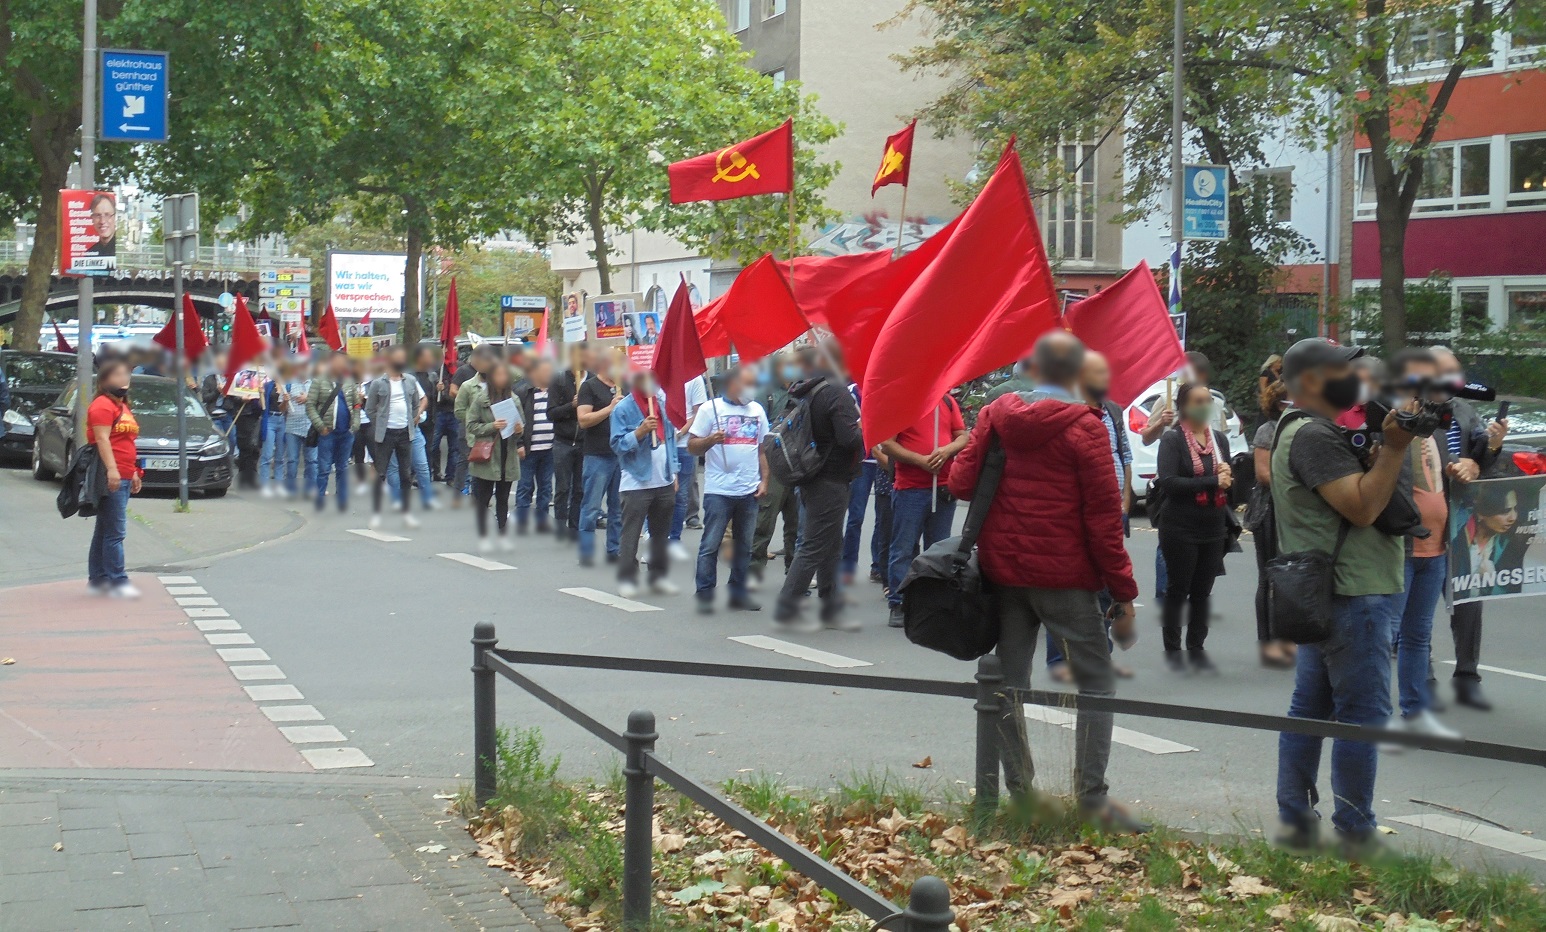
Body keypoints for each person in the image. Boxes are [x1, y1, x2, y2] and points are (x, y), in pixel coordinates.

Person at [949, 332, 1145, 833]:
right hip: (1066, 578)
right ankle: (1091, 800)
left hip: (1006, 573)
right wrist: (1123, 593)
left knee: (1008, 684)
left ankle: (1020, 794)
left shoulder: (995, 415)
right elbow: (1104, 522)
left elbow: (960, 484)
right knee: (1096, 681)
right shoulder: (1087, 429)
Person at [1273, 337, 1414, 856]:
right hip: (1350, 592)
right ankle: (1355, 833)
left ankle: (1295, 819)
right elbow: (1361, 508)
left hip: (1330, 590)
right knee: (1363, 714)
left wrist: (1389, 442)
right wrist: (1394, 449)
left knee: (1310, 707)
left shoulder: (1321, 431)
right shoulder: (1313, 435)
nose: (1356, 381)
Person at [1380, 349, 1464, 741]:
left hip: (1437, 549)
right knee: (1386, 634)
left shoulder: (1437, 429)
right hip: (1404, 547)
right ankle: (1375, 710)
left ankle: (1414, 710)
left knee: (1418, 635)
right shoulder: (1392, 425)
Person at [1046, 351, 1135, 681]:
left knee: (1105, 582)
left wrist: (1125, 500)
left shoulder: (1111, 410)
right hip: (1077, 511)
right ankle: (1061, 660)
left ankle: (1099, 656)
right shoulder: (1065, 411)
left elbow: (1123, 455)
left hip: (1112, 506)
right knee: (1069, 586)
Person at [1429, 346, 1509, 710]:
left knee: (1469, 596)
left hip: (1462, 515)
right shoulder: (1410, 408)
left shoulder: (1464, 409)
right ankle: (1422, 674)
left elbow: (1482, 459)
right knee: (1420, 600)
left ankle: (1467, 675)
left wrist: (1491, 446)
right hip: (1420, 519)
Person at [772, 346, 863, 632]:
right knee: (814, 545)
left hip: (810, 475)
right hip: (832, 478)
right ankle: (788, 606)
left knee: (830, 544)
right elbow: (849, 439)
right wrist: (865, 424)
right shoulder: (836, 393)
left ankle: (831, 607)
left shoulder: (806, 391)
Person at [1153, 382, 1234, 673]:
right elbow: (1170, 483)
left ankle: (1197, 647)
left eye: (1208, 400)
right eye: (1199, 400)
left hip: (1213, 525)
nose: (1205, 405)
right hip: (1180, 527)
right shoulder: (1173, 440)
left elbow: (1226, 483)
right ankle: (1173, 650)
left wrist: (1227, 476)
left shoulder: (1218, 440)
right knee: (1178, 588)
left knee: (1203, 590)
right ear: (1185, 406)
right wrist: (1212, 481)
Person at [879, 393, 968, 628]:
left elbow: (963, 436)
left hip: (943, 486)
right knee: (903, 548)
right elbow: (887, 443)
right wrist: (920, 460)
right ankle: (898, 602)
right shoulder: (902, 403)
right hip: (911, 488)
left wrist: (947, 450)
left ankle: (933, 603)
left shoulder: (947, 401)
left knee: (939, 549)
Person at [688, 367, 767, 613]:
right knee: (711, 544)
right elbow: (692, 446)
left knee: (745, 545)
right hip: (720, 490)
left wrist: (764, 480)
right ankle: (704, 592)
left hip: (748, 490)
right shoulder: (710, 410)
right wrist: (710, 439)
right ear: (732, 385)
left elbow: (761, 450)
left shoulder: (757, 410)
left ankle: (739, 592)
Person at [609, 370, 679, 598]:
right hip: (636, 481)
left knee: (661, 534)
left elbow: (670, 440)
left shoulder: (661, 403)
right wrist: (639, 432)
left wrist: (674, 472)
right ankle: (627, 579)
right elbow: (617, 445)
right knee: (631, 533)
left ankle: (658, 577)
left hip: (663, 479)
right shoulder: (623, 408)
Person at [86, 358, 142, 598]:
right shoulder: (102, 405)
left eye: (126, 374)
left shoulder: (122, 405)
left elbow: (128, 442)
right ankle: (117, 580)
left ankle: (98, 578)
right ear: (105, 379)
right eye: (118, 375)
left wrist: (136, 471)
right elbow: (102, 440)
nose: (124, 379)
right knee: (116, 532)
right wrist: (112, 469)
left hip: (125, 473)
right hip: (113, 475)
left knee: (105, 529)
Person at [1251, 380, 1295, 669]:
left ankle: (1287, 638)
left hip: (1292, 511)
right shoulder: (1267, 431)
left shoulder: (1300, 429)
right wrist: (1296, 484)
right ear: (1281, 403)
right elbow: (1263, 474)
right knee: (1269, 576)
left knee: (1291, 578)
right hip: (1269, 510)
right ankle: (1268, 642)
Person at [750, 353, 801, 589]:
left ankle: (795, 573)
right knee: (764, 521)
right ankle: (753, 570)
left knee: (796, 523)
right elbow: (756, 431)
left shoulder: (802, 391)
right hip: (774, 464)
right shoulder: (766, 393)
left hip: (798, 465)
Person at [463, 358, 522, 551]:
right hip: (488, 455)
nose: (502, 378)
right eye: (498, 375)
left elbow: (522, 426)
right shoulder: (482, 399)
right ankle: (483, 535)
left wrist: (519, 429)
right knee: (483, 498)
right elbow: (471, 425)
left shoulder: (513, 399)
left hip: (507, 453)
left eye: (505, 375)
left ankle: (502, 533)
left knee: (503, 498)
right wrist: (491, 426)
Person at [364, 346, 425, 529]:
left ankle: (406, 513)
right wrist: (381, 423)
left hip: (405, 433)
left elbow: (415, 404)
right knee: (380, 473)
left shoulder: (410, 381)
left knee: (405, 475)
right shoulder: (378, 383)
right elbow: (370, 409)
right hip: (385, 434)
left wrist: (412, 419)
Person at [576, 348, 625, 567]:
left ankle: (614, 549)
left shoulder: (626, 387)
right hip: (597, 455)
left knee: (618, 507)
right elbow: (584, 420)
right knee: (592, 506)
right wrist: (610, 408)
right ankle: (586, 551)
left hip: (621, 455)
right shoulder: (590, 387)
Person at [307, 352, 361, 513]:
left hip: (346, 432)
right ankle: (320, 499)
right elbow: (310, 406)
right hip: (327, 432)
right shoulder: (319, 381)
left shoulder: (350, 382)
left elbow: (357, 405)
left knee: (343, 467)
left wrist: (356, 424)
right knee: (324, 467)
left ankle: (342, 499)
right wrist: (320, 426)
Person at [667, 374, 710, 561]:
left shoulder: (694, 378)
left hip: (683, 444)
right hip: (662, 443)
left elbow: (698, 412)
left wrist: (681, 432)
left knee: (681, 494)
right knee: (658, 492)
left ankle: (674, 539)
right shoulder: (661, 374)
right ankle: (655, 538)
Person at [840, 381, 876, 588]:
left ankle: (879, 566)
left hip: (882, 459)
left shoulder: (886, 387)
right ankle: (847, 566)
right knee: (856, 515)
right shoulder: (851, 392)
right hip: (861, 460)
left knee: (885, 516)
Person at [515, 357, 557, 534]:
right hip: (529, 447)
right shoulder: (524, 391)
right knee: (525, 485)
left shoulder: (556, 392)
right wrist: (518, 443)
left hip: (550, 448)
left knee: (546, 486)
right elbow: (516, 419)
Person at [549, 344, 586, 541]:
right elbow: (551, 413)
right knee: (563, 487)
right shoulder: (559, 380)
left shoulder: (592, 381)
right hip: (563, 442)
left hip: (584, 443)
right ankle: (560, 525)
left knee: (580, 489)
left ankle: (574, 527)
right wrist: (570, 406)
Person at [281, 358, 316, 498]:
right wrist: (284, 401)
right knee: (292, 459)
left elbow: (323, 403)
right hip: (292, 427)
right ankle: (290, 489)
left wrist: (309, 398)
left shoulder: (315, 384)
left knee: (312, 460)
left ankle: (310, 489)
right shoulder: (288, 384)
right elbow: (282, 410)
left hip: (311, 427)